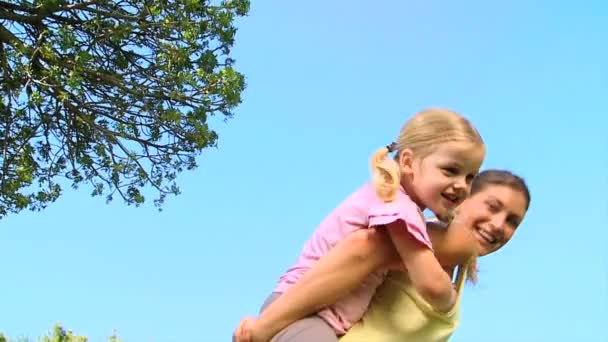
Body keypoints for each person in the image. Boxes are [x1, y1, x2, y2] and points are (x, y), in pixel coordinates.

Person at [233, 108, 486, 342]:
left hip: (320, 318)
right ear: (408, 162)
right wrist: (449, 302)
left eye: (470, 176)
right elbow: (432, 285)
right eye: (450, 170)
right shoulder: (396, 206)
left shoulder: (392, 200)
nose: (462, 184)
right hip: (306, 314)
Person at [235, 169, 530, 342]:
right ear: (460, 198)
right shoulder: (422, 239)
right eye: (492, 206)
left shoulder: (456, 270)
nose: (498, 225)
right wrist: (265, 327)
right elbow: (361, 250)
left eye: (512, 221)